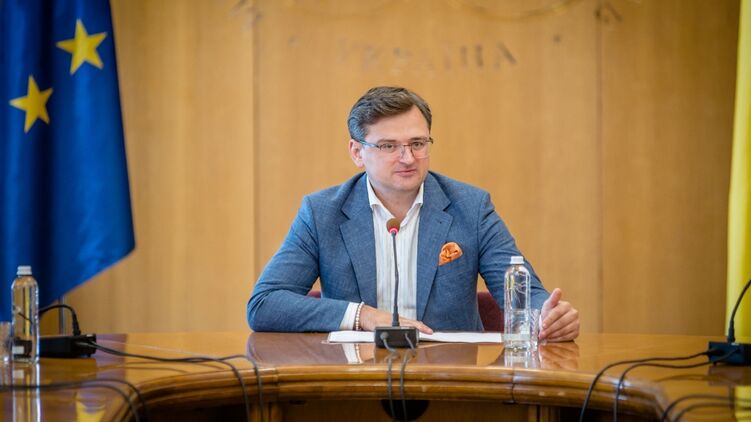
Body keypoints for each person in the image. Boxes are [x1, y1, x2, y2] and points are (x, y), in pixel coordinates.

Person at [247, 86, 579, 342]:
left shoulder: (471, 207)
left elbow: (523, 293)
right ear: (357, 152)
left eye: (417, 143)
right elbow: (265, 304)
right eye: (389, 146)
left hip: (450, 382)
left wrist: (546, 316)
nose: (407, 158)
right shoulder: (322, 213)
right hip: (354, 379)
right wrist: (363, 316)